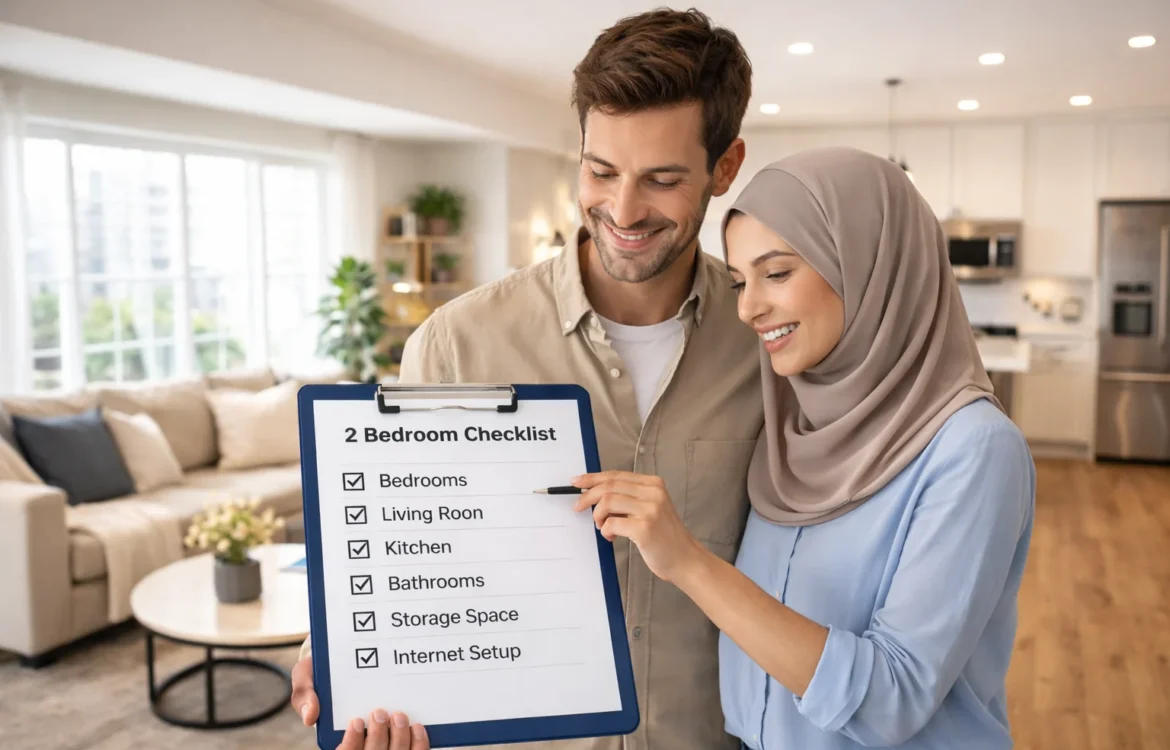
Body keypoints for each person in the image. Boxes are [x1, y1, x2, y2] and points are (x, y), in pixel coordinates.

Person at [289, 8, 764, 750]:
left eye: (663, 180)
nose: (624, 210)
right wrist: (351, 646)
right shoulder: (455, 345)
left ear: (725, 168)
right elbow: (401, 544)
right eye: (600, 171)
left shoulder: (765, 341)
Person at [569, 147, 1037, 749]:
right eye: (740, 280)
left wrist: (688, 561)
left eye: (778, 272)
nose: (748, 307)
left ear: (868, 264)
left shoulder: (973, 450)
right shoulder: (789, 423)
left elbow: (887, 702)